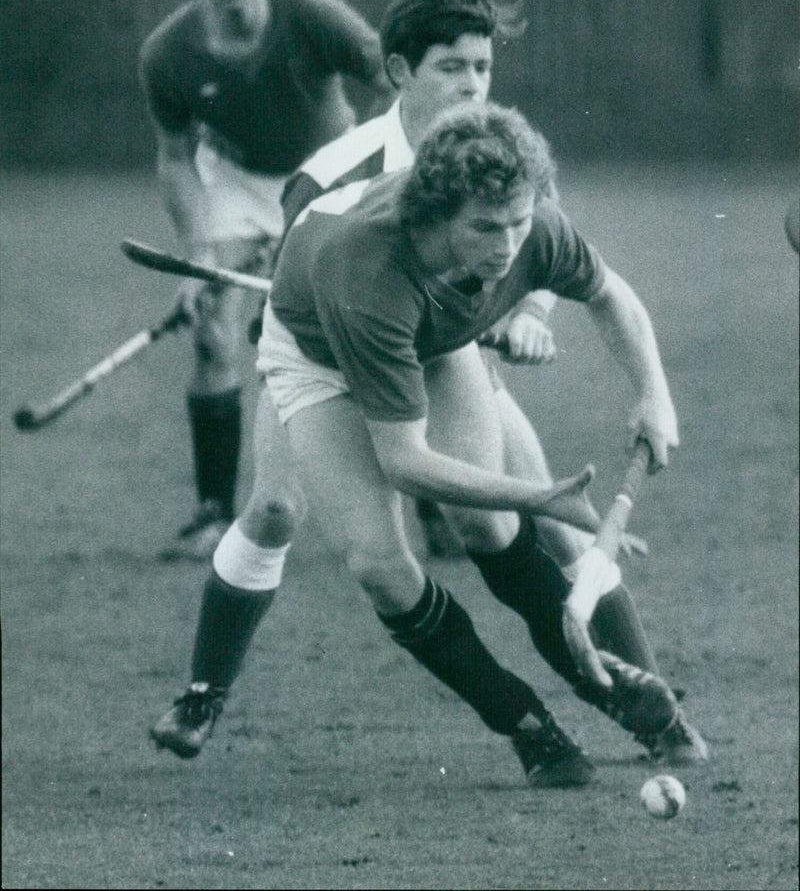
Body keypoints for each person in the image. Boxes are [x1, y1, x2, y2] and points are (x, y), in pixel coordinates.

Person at [150, 101, 708, 786]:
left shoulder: (530, 228)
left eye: (518, 223)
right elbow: (405, 462)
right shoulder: (369, 269)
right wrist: (543, 496)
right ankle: (523, 718)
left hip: (436, 336)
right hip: (318, 355)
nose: (507, 246)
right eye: (484, 228)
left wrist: (655, 392)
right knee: (380, 565)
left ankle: (619, 695)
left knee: (489, 524)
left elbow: (609, 294)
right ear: (438, 215)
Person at [139, 0, 391, 559]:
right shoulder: (167, 54)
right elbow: (174, 156)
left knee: (365, 331)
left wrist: (360, 166)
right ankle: (211, 514)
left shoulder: (313, 18)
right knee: (213, 331)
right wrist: (197, 250)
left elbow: (392, 77)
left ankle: (426, 501)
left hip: (334, 170)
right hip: (239, 183)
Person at [277, 0, 560, 557]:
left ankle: (600, 637)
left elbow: (548, 250)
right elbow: (293, 303)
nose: (472, 87)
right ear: (401, 71)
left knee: (555, 521)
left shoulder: (503, 147)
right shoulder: (331, 176)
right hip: (344, 367)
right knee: (272, 509)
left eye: (482, 67)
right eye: (452, 68)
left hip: (458, 351)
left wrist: (531, 312)